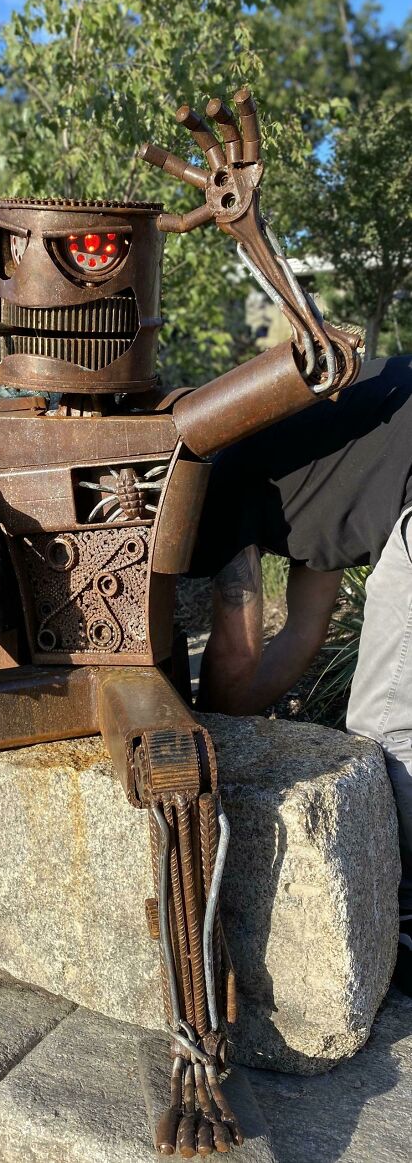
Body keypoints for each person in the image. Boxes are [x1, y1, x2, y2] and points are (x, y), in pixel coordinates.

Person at [189, 354, 412, 992]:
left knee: (389, 725)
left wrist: (215, 737)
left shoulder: (222, 474)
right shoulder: (317, 468)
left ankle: (406, 916)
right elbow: (303, 633)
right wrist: (256, 728)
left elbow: (237, 648)